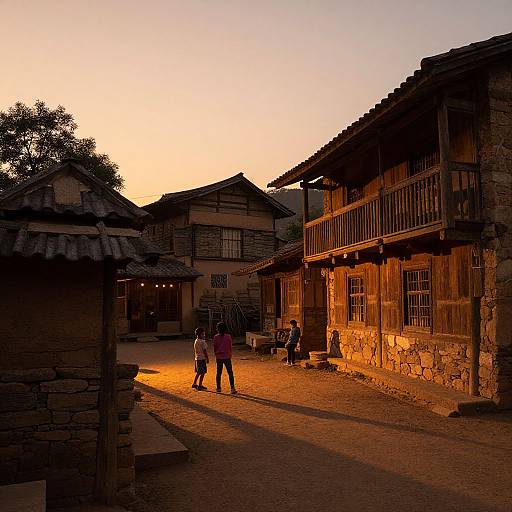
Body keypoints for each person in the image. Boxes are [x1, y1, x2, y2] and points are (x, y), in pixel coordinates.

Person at [213, 322, 237, 394]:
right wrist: (230, 354)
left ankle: (218, 388)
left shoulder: (216, 337)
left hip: (219, 356)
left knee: (219, 373)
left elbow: (215, 347)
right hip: (227, 356)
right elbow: (230, 346)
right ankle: (232, 388)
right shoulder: (228, 336)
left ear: (217, 329)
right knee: (230, 372)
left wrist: (216, 354)